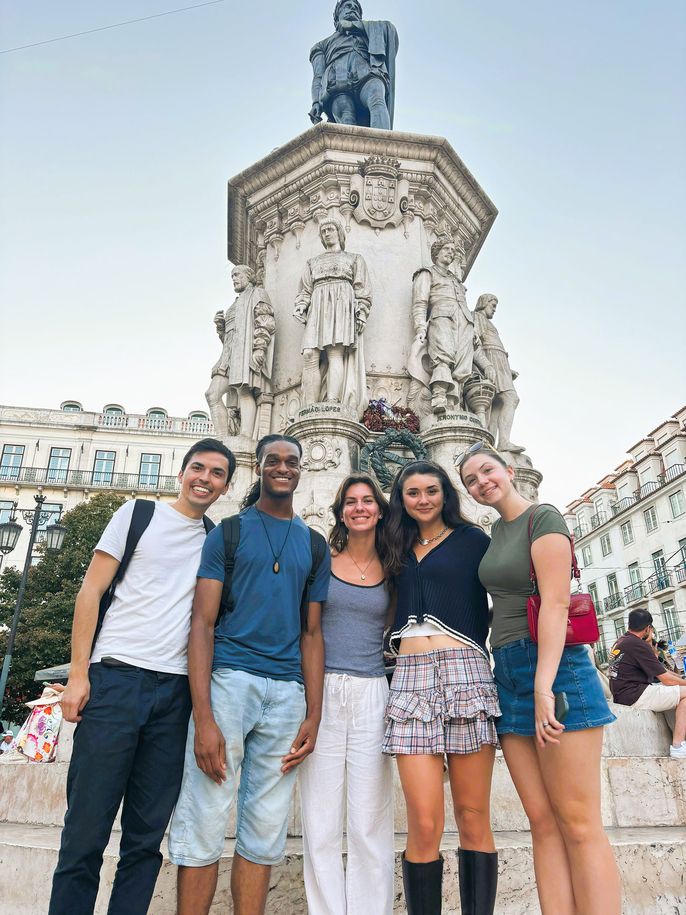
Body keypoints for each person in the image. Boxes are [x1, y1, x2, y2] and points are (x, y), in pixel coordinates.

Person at [48, 438, 235, 915]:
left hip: (174, 695)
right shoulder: (137, 515)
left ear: (226, 485)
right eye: (198, 468)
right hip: (115, 680)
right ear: (182, 472)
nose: (205, 479)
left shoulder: (215, 539)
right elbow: (90, 591)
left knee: (145, 840)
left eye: (216, 473)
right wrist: (78, 675)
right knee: (85, 834)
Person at [168, 434, 330, 915]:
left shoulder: (314, 544)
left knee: (265, 827)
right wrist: (204, 719)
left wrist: (314, 714)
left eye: (291, 462)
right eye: (273, 461)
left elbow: (312, 634)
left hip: (287, 695)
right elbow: (202, 621)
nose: (283, 468)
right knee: (204, 815)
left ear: (301, 470)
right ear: (258, 468)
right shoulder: (229, 532)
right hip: (229, 683)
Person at [459, 441, 621, 915]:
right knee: (542, 822)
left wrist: (544, 686)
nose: (481, 482)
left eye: (487, 471)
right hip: (507, 670)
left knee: (579, 823)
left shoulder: (543, 518)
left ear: (507, 470)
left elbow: (554, 603)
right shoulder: (495, 532)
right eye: (471, 480)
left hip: (556, 670)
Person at [383, 460, 500, 915]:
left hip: (466, 671)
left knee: (472, 816)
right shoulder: (393, 543)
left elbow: (508, 589)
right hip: (410, 676)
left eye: (431, 490)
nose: (423, 499)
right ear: (403, 499)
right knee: (424, 820)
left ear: (446, 494)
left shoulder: (474, 541)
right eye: (412, 492)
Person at [300, 473, 395, 915]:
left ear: (379, 509)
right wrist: (310, 706)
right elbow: (309, 631)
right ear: (340, 512)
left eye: (368, 501)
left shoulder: (394, 567)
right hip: (323, 690)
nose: (360, 507)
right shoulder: (322, 559)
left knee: (370, 820)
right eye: (351, 502)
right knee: (319, 820)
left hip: (373, 690)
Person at [293, 217, 371, 414]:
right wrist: (301, 306)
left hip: (341, 302)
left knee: (335, 352)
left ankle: (333, 401)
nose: (327, 233)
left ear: (339, 233)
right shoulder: (312, 262)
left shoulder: (354, 259)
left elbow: (362, 288)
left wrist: (361, 311)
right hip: (318, 302)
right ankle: (310, 405)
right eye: (324, 231)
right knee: (310, 354)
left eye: (330, 229)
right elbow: (305, 289)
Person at [409, 237, 495, 414]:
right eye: (446, 249)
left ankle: (452, 404)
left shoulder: (456, 281)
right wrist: (420, 327)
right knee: (443, 355)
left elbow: (463, 305)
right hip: (442, 317)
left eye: (453, 250)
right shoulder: (427, 273)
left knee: (461, 363)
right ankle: (439, 395)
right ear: (437, 252)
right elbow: (420, 302)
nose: (450, 252)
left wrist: (473, 332)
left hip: (464, 322)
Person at [205, 264, 275, 440]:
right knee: (212, 394)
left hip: (244, 354)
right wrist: (221, 327)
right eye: (232, 276)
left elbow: (264, 322)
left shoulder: (257, 294)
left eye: (237, 275)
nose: (234, 279)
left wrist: (259, 349)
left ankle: (246, 435)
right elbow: (229, 338)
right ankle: (223, 438)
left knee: (244, 390)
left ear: (248, 276)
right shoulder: (236, 303)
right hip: (228, 357)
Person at [608, 608, 686, 759]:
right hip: (635, 694)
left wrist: (683, 681)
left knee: (676, 694)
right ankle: (678, 746)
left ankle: (679, 741)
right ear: (648, 628)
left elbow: (663, 671)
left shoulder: (622, 641)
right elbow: (667, 679)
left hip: (625, 693)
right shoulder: (637, 645)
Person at [308, 0, 399, 129]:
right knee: (346, 117)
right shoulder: (321, 45)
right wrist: (316, 102)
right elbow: (318, 76)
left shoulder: (369, 32)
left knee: (377, 99)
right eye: (348, 6)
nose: (353, 9)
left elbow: (390, 30)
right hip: (337, 83)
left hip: (368, 74)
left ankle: (383, 148)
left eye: (356, 8)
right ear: (337, 14)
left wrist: (355, 27)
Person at [472, 294, 524, 453]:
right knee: (511, 398)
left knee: (497, 403)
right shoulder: (477, 317)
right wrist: (486, 364)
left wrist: (507, 369)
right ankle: (503, 441)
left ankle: (493, 442)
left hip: (499, 360)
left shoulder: (487, 322)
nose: (494, 310)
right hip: (491, 358)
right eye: (493, 305)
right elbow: (474, 342)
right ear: (484, 303)